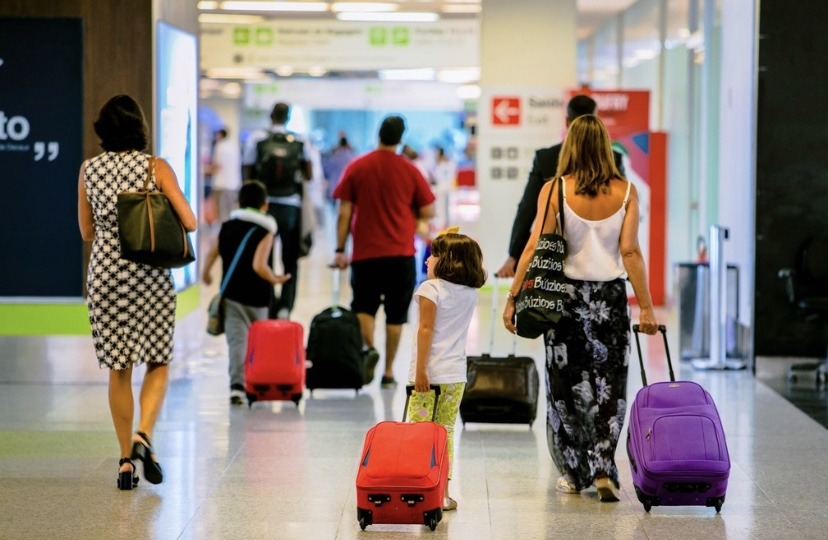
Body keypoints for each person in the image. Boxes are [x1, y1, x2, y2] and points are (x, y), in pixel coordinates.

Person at [502, 114, 658, 502]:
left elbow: (535, 246)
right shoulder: (626, 191)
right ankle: (605, 466)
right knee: (610, 385)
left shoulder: (554, 190)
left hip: (564, 301)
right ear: (606, 146)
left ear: (569, 146)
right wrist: (648, 310)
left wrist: (513, 296)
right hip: (610, 301)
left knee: (565, 388)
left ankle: (575, 472)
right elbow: (631, 251)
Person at [77, 94, 197, 490]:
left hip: (106, 277)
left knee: (119, 368)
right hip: (149, 275)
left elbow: (87, 232)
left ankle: (125, 461)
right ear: (139, 128)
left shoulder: (88, 170)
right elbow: (191, 222)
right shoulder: (155, 167)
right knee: (158, 361)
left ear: (103, 130)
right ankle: (144, 434)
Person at [332, 115, 436, 389]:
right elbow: (429, 210)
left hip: (365, 254)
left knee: (363, 306)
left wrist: (340, 249)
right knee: (396, 314)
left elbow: (343, 213)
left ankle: (370, 348)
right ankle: (388, 372)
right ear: (401, 139)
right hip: (400, 254)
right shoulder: (410, 169)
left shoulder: (358, 166)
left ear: (379, 134)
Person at [495, 94, 626, 278]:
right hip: (601, 261)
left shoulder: (547, 159)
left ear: (567, 121)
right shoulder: (614, 160)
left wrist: (514, 255)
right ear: (596, 122)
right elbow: (621, 215)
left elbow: (527, 209)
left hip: (557, 259)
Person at [407, 228, 486, 512]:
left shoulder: (430, 289)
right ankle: (443, 493)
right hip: (454, 376)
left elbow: (425, 330)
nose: (428, 260)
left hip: (429, 373)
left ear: (448, 260)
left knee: (419, 433)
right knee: (445, 432)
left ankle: (419, 489)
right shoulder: (470, 293)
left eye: (434, 255)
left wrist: (420, 372)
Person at [201, 181, 292, 406]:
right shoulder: (266, 230)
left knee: (237, 343)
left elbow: (213, 252)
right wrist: (276, 279)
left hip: (232, 294)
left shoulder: (228, 225)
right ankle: (256, 384)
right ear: (265, 205)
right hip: (258, 297)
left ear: (239, 202)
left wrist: (205, 272)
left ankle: (237, 387)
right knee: (258, 343)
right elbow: (260, 266)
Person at [242, 102, 312, 320]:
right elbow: (308, 174)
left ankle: (269, 303)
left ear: (270, 116)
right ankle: (286, 307)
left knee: (265, 256)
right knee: (290, 258)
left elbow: (247, 172)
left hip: (265, 206)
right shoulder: (300, 141)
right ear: (288, 117)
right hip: (291, 205)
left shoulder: (257, 139)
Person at [205, 128, 242, 225]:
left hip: (222, 185)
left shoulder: (220, 146)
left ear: (220, 135)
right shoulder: (233, 145)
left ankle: (224, 236)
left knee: (222, 214)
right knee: (230, 213)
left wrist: (205, 170)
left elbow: (218, 165)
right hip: (233, 184)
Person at [321, 132, 356, 204]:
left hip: (335, 189)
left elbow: (324, 169)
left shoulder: (335, 156)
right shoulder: (353, 157)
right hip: (349, 191)